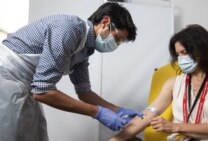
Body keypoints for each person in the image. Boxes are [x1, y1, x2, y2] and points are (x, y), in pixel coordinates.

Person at [0, 2, 143, 141]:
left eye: (120, 42)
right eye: (117, 38)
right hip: (7, 76)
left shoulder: (85, 49)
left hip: (26, 84)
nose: (116, 45)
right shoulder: (69, 29)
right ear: (105, 22)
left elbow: (84, 92)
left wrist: (117, 110)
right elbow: (43, 91)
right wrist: (97, 112)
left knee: (38, 134)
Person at [108, 24, 208, 141]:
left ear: (201, 50)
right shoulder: (173, 84)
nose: (181, 59)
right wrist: (116, 139)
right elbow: (147, 114)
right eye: (178, 54)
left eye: (184, 52)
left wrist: (175, 127)